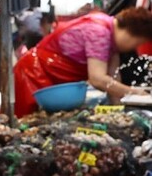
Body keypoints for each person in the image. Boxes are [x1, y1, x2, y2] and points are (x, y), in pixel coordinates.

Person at [14, 7, 152, 116]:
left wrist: (120, 113)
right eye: (136, 43)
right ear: (130, 32)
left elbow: (112, 79)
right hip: (34, 73)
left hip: (51, 77)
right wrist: (134, 93)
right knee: (30, 122)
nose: (133, 48)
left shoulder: (109, 32)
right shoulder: (99, 32)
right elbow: (98, 79)